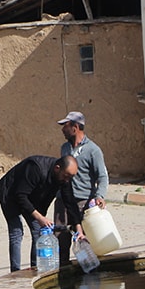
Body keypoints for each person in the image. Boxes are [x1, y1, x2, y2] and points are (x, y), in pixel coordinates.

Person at [0, 155, 80, 272]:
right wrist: (40, 217)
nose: (67, 180)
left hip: (29, 198)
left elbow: (70, 202)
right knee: (16, 233)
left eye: (71, 177)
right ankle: (15, 273)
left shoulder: (64, 177)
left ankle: (35, 269)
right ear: (57, 168)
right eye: (66, 176)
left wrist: (78, 228)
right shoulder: (36, 168)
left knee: (38, 232)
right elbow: (20, 195)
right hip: (9, 194)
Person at [55, 110, 109, 264]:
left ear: (75, 127)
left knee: (84, 238)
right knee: (61, 236)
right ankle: (63, 268)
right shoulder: (64, 148)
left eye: (65, 125)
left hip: (82, 201)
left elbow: (103, 176)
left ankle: (88, 269)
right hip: (63, 200)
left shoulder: (93, 150)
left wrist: (100, 195)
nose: (62, 129)